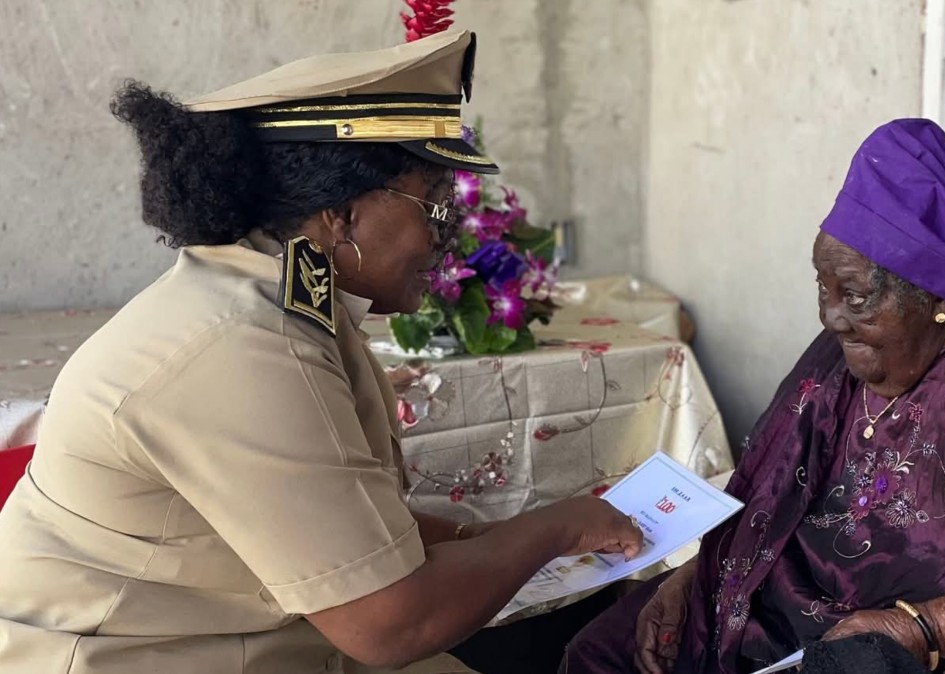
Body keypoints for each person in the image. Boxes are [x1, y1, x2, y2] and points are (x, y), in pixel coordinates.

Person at [0, 30, 642, 674]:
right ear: (341, 215)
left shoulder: (289, 302)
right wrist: (556, 529)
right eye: (436, 209)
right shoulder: (244, 346)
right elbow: (389, 626)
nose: (445, 241)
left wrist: (485, 538)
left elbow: (343, 520)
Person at [562, 94, 945, 674]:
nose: (831, 316)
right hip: (748, 608)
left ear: (938, 301)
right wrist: (696, 578)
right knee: (595, 651)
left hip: (852, 652)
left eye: (857, 295)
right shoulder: (841, 356)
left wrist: (922, 626)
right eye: (823, 286)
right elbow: (774, 502)